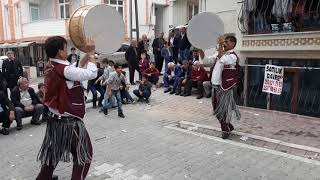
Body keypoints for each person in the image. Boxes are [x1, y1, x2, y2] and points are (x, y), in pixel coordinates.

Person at [36, 36, 97, 180]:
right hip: (69, 124)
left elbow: (71, 70)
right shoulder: (64, 70)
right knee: (84, 155)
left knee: (53, 154)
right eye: (65, 48)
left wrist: (86, 56)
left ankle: (42, 178)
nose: (67, 50)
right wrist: (92, 54)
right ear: (60, 52)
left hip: (55, 122)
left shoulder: (50, 65)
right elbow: (91, 73)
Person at [211, 36, 241, 139]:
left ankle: (225, 129)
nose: (224, 43)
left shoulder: (233, 56)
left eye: (226, 42)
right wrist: (201, 49)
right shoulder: (221, 53)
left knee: (222, 110)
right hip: (215, 86)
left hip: (224, 87)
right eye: (224, 42)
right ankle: (228, 126)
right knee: (216, 109)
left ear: (233, 44)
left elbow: (222, 59)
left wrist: (219, 45)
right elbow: (207, 60)